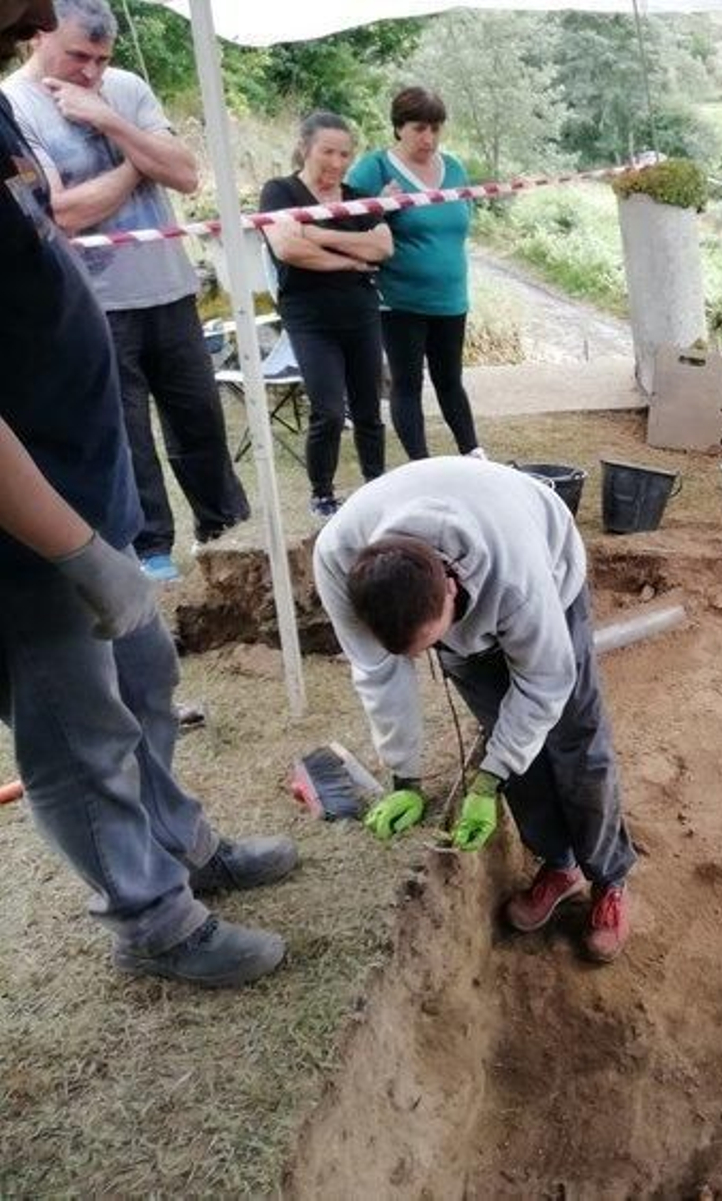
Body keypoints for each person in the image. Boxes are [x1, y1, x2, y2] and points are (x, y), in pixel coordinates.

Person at [0, 0, 295, 989]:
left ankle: (179, 846)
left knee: (142, 683)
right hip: (25, 529)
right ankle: (152, 919)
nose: (31, 21)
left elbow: (41, 218)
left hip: (84, 477)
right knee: (76, 731)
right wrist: (72, 549)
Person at [313, 458, 636, 963]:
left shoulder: (518, 577)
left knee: (576, 743)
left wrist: (488, 781)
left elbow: (545, 681)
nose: (424, 659)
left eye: (433, 643)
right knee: (509, 748)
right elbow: (377, 672)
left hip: (544, 557)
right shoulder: (336, 557)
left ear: (449, 587)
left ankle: (609, 878)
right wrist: (405, 777)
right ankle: (559, 864)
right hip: (466, 591)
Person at [3, 0, 247, 583]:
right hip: (98, 301)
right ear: (41, 38)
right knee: (129, 435)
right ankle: (150, 549)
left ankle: (229, 533)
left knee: (200, 421)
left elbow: (186, 174)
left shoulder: (125, 88)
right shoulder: (15, 102)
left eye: (101, 59)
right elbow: (63, 210)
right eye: (78, 57)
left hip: (168, 286)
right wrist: (141, 162)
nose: (91, 72)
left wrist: (110, 121)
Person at [260, 111, 392, 518]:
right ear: (305, 148)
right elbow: (287, 249)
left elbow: (383, 248)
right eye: (328, 152)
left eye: (345, 154)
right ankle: (322, 493)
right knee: (329, 410)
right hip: (309, 316)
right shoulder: (279, 191)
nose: (337, 162)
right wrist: (350, 260)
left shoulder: (357, 197)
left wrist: (317, 233)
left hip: (361, 312)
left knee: (369, 408)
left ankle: (377, 486)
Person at [346, 86, 484, 463]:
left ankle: (473, 452)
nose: (429, 138)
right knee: (407, 383)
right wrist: (382, 209)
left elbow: (460, 222)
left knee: (450, 379)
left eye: (436, 129)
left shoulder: (454, 168)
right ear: (399, 127)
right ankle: (420, 463)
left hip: (451, 297)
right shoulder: (373, 168)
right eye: (420, 128)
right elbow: (349, 226)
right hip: (399, 299)